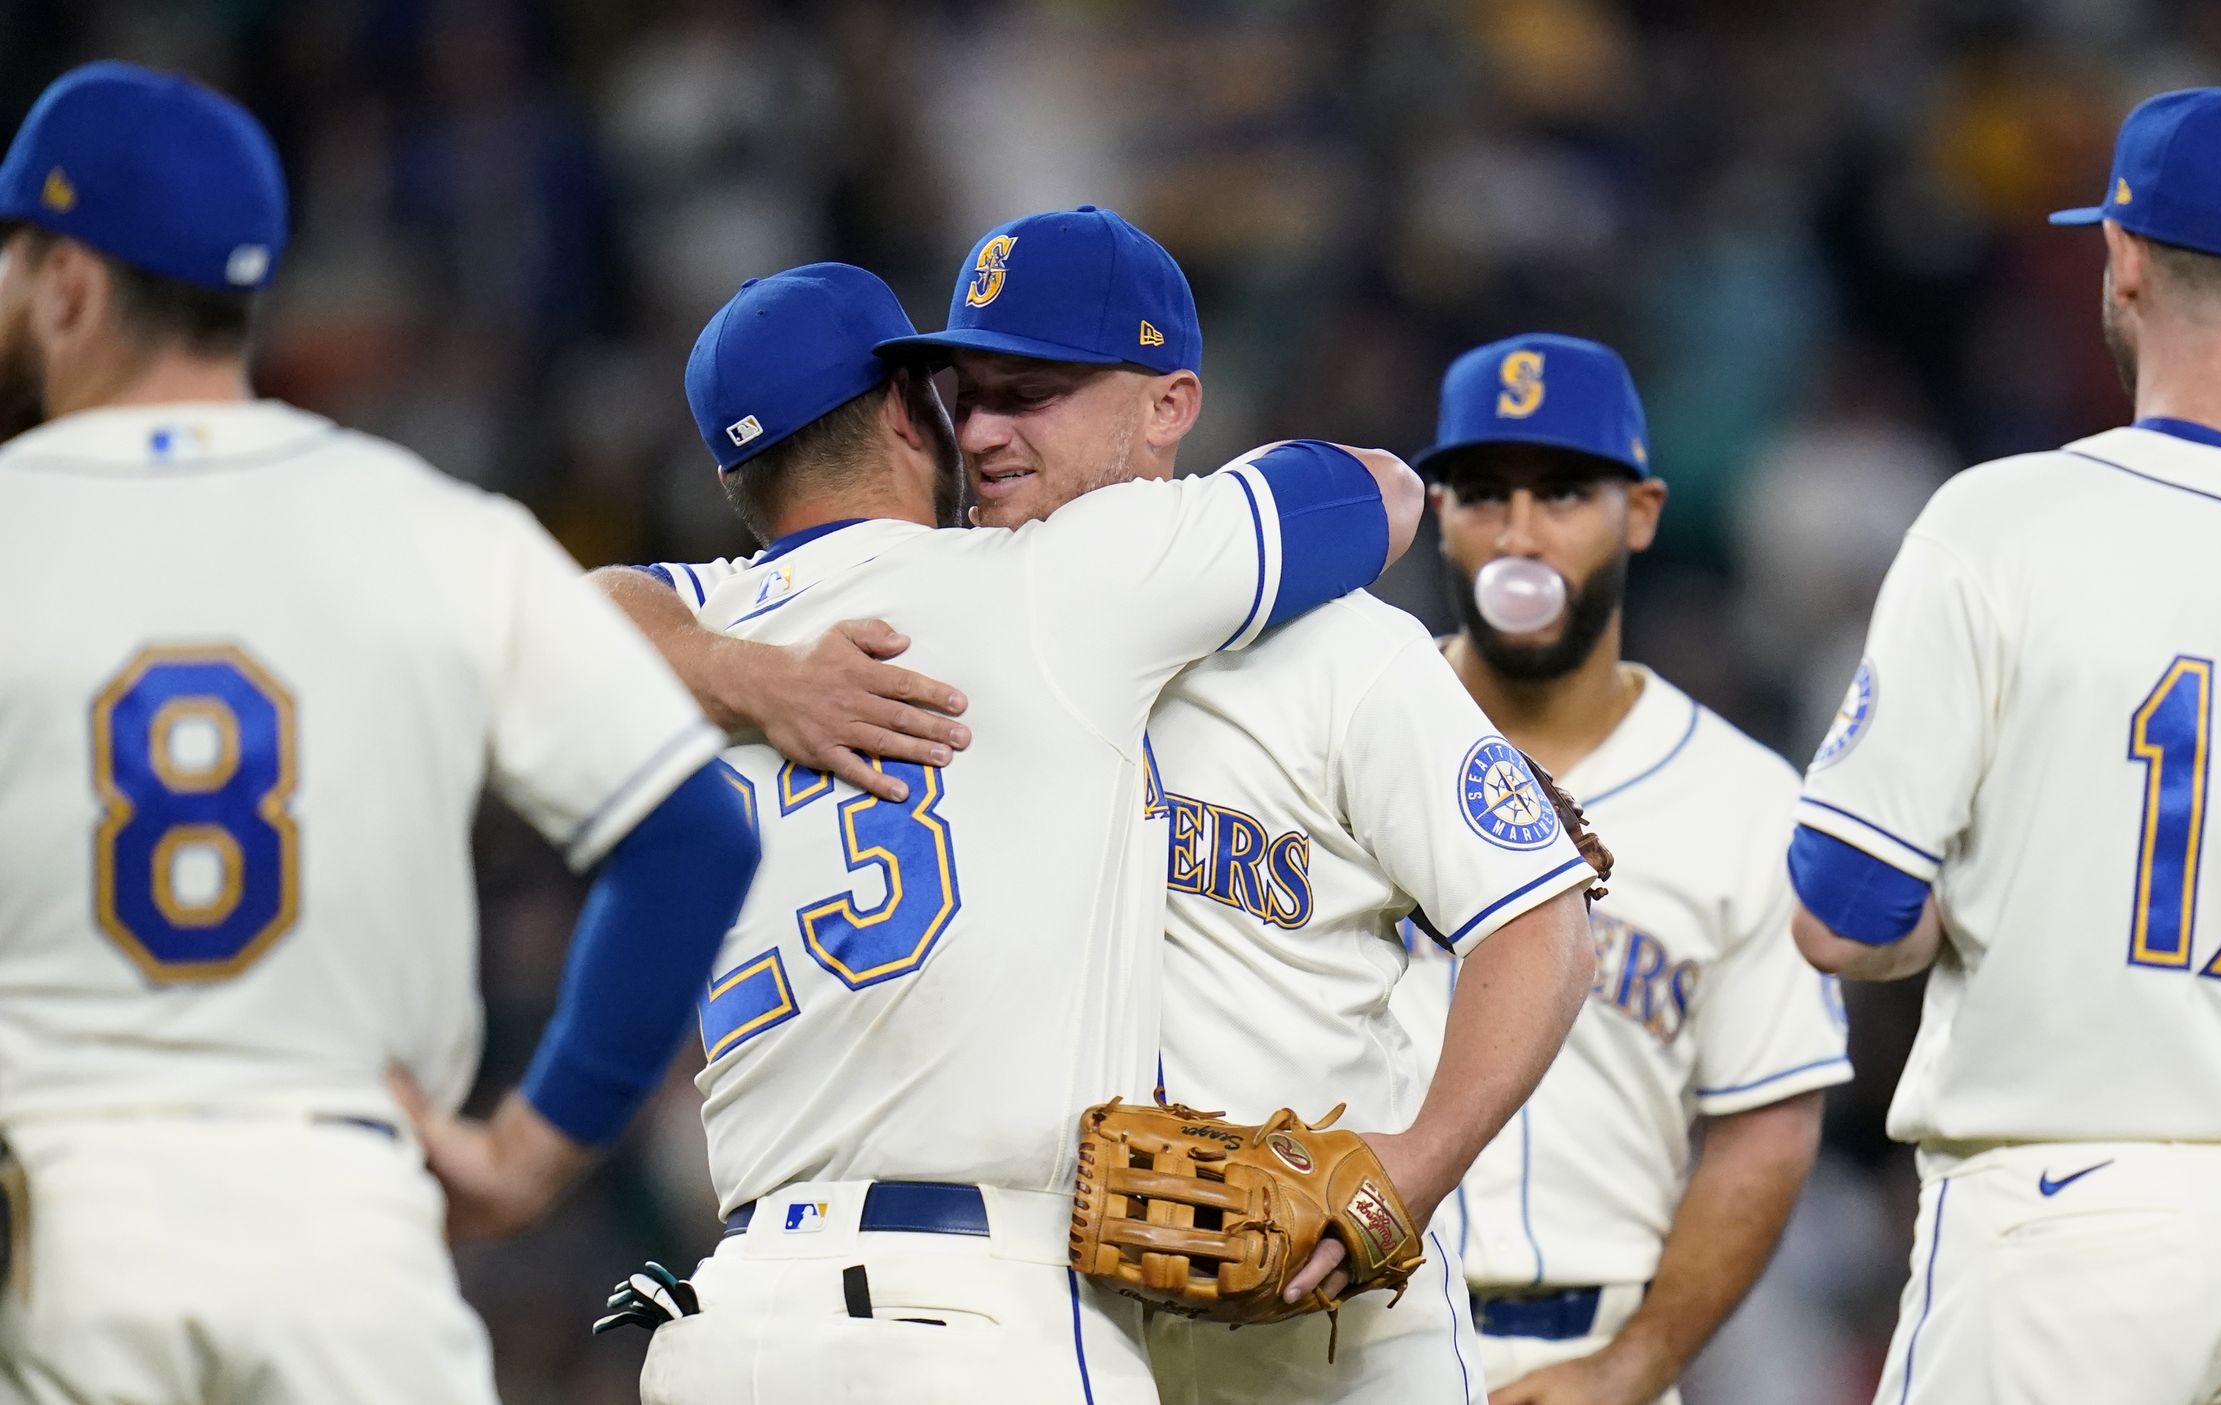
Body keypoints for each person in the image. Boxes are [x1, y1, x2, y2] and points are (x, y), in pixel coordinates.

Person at [603, 207, 1602, 1404]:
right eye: (959, 397)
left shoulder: (1340, 647)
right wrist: (751, 677)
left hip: (1328, 1336)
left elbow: (1542, 928)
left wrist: (1412, 1171)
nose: (979, 432)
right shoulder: (916, 627)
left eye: (1028, 393)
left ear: (1167, 404)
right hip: (1053, 1318)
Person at [0, 63, 759, 1405]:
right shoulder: (432, 527)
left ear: (70, 282)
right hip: (351, 1227)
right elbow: (693, 832)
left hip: (64, 1216)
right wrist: (533, 1147)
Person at [1788, 83, 2221, 1404]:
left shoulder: (2005, 523)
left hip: (2070, 1214)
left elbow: (1841, 915)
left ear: (2119, 256)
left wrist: (2024, 907)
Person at [1389, 334, 1850, 1405]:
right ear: (1437, 511)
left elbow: (1769, 1120)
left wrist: (1636, 1363)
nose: (1518, 535)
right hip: (1338, 1332)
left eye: (1560, 493)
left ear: (1638, 512)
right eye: (1481, 494)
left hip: (1588, 1339)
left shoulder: (1745, 797)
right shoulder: (1343, 739)